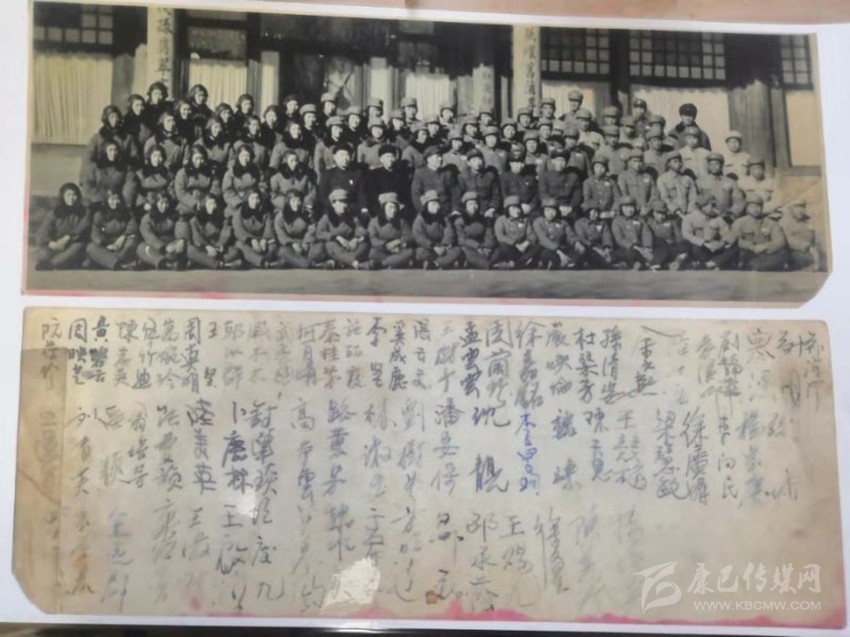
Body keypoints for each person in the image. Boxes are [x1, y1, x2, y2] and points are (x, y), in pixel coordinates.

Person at [35, 183, 91, 270]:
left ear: (78, 196)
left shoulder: (85, 212)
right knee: (43, 255)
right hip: (58, 246)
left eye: (74, 195)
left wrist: (68, 237)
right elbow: (42, 232)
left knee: (79, 246)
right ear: (63, 196)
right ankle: (64, 262)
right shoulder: (55, 213)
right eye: (68, 195)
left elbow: (82, 228)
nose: (71, 198)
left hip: (74, 246)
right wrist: (51, 243)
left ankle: (52, 265)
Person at [181, 194, 242, 270]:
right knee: (190, 250)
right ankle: (220, 265)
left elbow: (226, 232)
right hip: (204, 249)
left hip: (218, 248)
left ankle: (205, 263)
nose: (213, 206)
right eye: (210, 204)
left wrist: (219, 245)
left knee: (235, 251)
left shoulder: (221, 217)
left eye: (214, 203)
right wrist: (207, 247)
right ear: (204, 205)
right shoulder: (194, 220)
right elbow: (197, 238)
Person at [729, 193, 788, 271]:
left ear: (762, 207)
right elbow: (734, 240)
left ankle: (760, 266)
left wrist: (765, 246)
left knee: (784, 253)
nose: (755, 209)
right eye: (752, 206)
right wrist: (751, 246)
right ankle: (757, 266)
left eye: (758, 206)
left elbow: (780, 241)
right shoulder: (740, 222)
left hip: (766, 253)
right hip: (749, 253)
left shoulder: (770, 222)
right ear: (746, 208)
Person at [315, 188, 371, 269]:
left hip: (350, 245)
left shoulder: (352, 216)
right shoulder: (327, 217)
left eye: (345, 202)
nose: (343, 205)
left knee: (365, 244)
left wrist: (356, 239)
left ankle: (342, 263)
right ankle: (354, 262)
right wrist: (337, 237)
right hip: (337, 246)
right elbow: (319, 233)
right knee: (330, 245)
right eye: (340, 202)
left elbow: (361, 229)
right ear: (333, 204)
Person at [81, 105, 138, 184]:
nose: (114, 120)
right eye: (112, 117)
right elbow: (88, 159)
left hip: (121, 173)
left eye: (117, 117)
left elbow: (134, 156)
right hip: (102, 173)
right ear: (106, 119)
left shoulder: (127, 138)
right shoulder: (97, 138)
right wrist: (87, 178)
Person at [681, 193, 737, 270]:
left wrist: (722, 243)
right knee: (692, 247)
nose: (715, 208)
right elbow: (687, 235)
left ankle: (708, 264)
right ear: (703, 206)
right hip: (700, 247)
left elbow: (727, 232)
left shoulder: (717, 217)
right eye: (712, 205)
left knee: (733, 247)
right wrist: (704, 243)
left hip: (715, 247)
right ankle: (714, 264)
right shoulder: (689, 218)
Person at [85, 189, 138, 270]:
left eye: (117, 199)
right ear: (107, 200)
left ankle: (109, 261)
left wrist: (123, 237)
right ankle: (118, 263)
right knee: (90, 247)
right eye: (112, 199)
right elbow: (95, 233)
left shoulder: (126, 212)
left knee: (132, 241)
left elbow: (133, 225)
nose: (115, 202)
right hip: (106, 245)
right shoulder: (100, 214)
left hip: (121, 244)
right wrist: (105, 245)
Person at [273, 189, 327, 269]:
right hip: (290, 246)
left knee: (320, 247)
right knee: (283, 251)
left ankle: (291, 262)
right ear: (288, 202)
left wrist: (306, 243)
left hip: (305, 244)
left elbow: (311, 229)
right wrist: (293, 244)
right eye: (293, 201)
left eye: (298, 201)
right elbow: (281, 235)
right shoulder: (280, 217)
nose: (296, 204)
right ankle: (310, 264)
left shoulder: (307, 214)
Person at [317, 143, 369, 220]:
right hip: (332, 210)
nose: (345, 158)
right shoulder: (327, 174)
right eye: (341, 155)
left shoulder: (358, 174)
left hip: (352, 210)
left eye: (347, 155)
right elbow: (322, 196)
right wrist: (335, 205)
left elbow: (362, 194)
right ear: (335, 157)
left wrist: (363, 208)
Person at [412, 190, 462, 270]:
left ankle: (435, 264)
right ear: (426, 205)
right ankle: (443, 262)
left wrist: (444, 245)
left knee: (457, 250)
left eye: (437, 203)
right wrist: (433, 246)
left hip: (442, 247)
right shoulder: (420, 219)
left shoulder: (444, 217)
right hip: (429, 248)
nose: (436, 206)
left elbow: (449, 231)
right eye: (433, 204)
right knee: (420, 252)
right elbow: (419, 236)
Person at [136, 192, 185, 270]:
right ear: (156, 203)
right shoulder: (148, 218)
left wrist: (180, 241)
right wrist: (163, 247)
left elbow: (181, 227)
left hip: (171, 244)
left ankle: (162, 262)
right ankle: (164, 263)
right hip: (156, 246)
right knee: (141, 247)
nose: (164, 206)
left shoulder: (174, 215)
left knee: (174, 253)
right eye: (161, 203)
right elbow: (148, 236)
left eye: (166, 203)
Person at [489, 195, 539, 269]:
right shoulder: (501, 220)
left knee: (538, 246)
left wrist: (526, 243)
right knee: (503, 246)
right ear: (507, 209)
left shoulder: (525, 220)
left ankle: (518, 263)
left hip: (522, 248)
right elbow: (500, 236)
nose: (517, 211)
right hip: (510, 247)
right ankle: (519, 263)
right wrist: (515, 244)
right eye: (513, 208)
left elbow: (531, 234)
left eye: (518, 208)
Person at [367, 192, 415, 269]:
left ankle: (382, 264)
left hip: (398, 250)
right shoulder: (374, 222)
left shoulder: (401, 221)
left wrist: (398, 242)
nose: (393, 210)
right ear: (384, 207)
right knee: (372, 253)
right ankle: (397, 263)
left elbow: (409, 236)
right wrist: (386, 245)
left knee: (410, 252)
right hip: (383, 250)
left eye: (395, 207)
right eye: (390, 207)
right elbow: (373, 239)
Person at [232, 187, 277, 268]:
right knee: (240, 246)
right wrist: (251, 240)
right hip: (246, 241)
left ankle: (253, 262)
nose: (255, 201)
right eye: (252, 198)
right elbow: (238, 229)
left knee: (273, 246)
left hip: (261, 241)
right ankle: (263, 262)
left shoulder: (265, 213)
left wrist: (264, 239)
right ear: (247, 199)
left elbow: (269, 228)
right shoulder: (239, 212)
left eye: (257, 198)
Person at [174, 145, 222, 218]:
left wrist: (208, 199)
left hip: (206, 203)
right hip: (187, 205)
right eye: (196, 159)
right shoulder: (183, 173)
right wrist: (195, 203)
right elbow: (181, 192)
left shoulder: (210, 172)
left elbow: (216, 187)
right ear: (191, 158)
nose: (199, 162)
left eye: (201, 159)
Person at [123, 144, 171, 215]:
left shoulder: (166, 173)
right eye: (154, 156)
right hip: (146, 206)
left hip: (163, 203)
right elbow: (136, 191)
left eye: (159, 156)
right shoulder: (141, 173)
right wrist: (144, 204)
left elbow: (170, 189)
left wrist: (166, 200)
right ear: (150, 157)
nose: (157, 159)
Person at [222, 144, 267, 218]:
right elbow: (227, 191)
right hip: (238, 203)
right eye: (242, 156)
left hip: (255, 201)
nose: (245, 158)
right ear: (238, 157)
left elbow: (262, 185)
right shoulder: (231, 173)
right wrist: (238, 202)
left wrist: (259, 197)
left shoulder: (256, 170)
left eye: (247, 156)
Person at [696, 152, 745, 220]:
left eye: (716, 164)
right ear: (708, 166)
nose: (713, 166)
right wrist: (704, 211)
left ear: (721, 165)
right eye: (711, 164)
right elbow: (696, 201)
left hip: (725, 217)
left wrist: (731, 214)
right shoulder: (700, 181)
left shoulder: (730, 182)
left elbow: (739, 202)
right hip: (704, 216)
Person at [453, 191, 495, 269]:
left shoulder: (484, 220)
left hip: (483, 247)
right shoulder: (460, 221)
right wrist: (477, 246)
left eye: (475, 204)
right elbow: (461, 239)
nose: (473, 207)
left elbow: (489, 235)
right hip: (469, 247)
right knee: (466, 252)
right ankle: (489, 265)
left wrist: (486, 247)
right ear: (465, 206)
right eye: (470, 204)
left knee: (497, 251)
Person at [533, 196, 577, 269]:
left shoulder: (563, 222)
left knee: (576, 253)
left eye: (553, 210)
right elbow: (543, 239)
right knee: (546, 253)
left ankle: (563, 263)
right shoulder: (538, 222)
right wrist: (560, 253)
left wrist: (575, 242)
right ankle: (557, 263)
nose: (550, 213)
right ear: (543, 211)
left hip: (561, 247)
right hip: (546, 248)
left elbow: (570, 235)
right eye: (547, 210)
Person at [270, 149, 317, 216]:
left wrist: (303, 203)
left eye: (296, 160)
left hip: (302, 208)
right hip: (284, 210)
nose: (295, 163)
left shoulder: (304, 177)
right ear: (285, 162)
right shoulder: (276, 178)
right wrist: (289, 204)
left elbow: (312, 191)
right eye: (291, 161)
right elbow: (274, 196)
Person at [81, 140, 129, 206]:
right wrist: (106, 197)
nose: (113, 153)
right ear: (104, 151)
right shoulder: (95, 167)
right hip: (97, 201)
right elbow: (87, 187)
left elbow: (126, 186)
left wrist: (119, 198)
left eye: (115, 150)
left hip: (116, 202)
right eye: (110, 150)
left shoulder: (122, 169)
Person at [610, 195, 653, 269]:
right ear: (621, 208)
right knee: (629, 253)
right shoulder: (617, 221)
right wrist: (633, 246)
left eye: (631, 207)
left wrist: (647, 246)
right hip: (625, 248)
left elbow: (646, 233)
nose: (629, 210)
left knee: (649, 254)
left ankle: (636, 263)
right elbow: (619, 239)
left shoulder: (640, 220)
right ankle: (636, 263)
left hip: (640, 247)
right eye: (626, 208)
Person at [539, 149, 583, 220]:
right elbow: (543, 194)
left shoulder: (573, 177)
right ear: (553, 161)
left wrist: (570, 207)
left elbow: (577, 196)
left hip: (568, 207)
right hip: (552, 207)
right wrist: (556, 207)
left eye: (563, 161)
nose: (560, 163)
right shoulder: (545, 176)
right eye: (558, 160)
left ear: (566, 162)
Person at [645, 199, 689, 270]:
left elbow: (679, 237)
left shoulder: (671, 222)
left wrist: (681, 245)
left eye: (663, 213)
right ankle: (657, 263)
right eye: (658, 213)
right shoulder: (648, 222)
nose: (661, 216)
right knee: (661, 244)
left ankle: (672, 263)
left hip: (671, 247)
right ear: (653, 212)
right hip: (656, 248)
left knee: (685, 245)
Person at [410, 146, 453, 216]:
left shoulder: (447, 174)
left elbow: (454, 192)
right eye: (437, 157)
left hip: (446, 210)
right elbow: (416, 194)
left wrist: (455, 209)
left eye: (441, 156)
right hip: (428, 211)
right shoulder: (420, 173)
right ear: (428, 159)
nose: (440, 159)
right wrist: (423, 211)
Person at [779, 201, 821, 271]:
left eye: (803, 207)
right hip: (792, 258)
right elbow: (786, 239)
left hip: (810, 257)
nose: (801, 210)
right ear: (790, 208)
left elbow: (816, 239)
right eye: (797, 207)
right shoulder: (784, 222)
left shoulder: (807, 221)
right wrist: (804, 245)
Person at [457, 148, 501, 217]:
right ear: (469, 163)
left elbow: (496, 195)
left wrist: (492, 208)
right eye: (474, 160)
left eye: (479, 159)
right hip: (469, 210)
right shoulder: (463, 177)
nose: (477, 162)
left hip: (486, 210)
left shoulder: (490, 176)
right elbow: (458, 196)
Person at [368, 144, 410, 214]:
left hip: (398, 207)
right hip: (381, 208)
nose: (390, 159)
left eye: (392, 156)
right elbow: (373, 194)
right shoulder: (374, 174)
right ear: (381, 159)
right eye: (387, 156)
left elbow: (405, 193)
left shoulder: (401, 174)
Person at [143, 111, 187, 176]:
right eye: (168, 121)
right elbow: (146, 161)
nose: (171, 124)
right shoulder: (153, 141)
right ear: (162, 123)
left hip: (175, 174)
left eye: (173, 121)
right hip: (156, 175)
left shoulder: (182, 141)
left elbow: (185, 160)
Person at [618, 149, 659, 218]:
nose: (638, 164)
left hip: (647, 212)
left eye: (640, 161)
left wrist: (649, 207)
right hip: (631, 212)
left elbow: (655, 194)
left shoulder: (647, 176)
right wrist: (635, 207)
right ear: (629, 162)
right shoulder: (623, 176)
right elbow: (624, 194)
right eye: (635, 161)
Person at [657, 150, 698, 219]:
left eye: (679, 161)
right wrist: (676, 210)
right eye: (675, 162)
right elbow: (665, 198)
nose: (678, 164)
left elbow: (693, 197)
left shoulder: (687, 179)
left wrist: (690, 210)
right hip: (671, 215)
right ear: (668, 164)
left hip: (688, 213)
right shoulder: (662, 179)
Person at [500, 148, 539, 214]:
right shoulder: (504, 177)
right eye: (517, 162)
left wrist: (531, 206)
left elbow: (537, 193)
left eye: (522, 162)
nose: (520, 165)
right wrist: (517, 207)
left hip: (529, 209)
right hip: (512, 210)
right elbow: (505, 196)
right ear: (510, 164)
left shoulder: (530, 176)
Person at [581, 156, 621, 220]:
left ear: (606, 168)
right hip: (593, 213)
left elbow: (617, 198)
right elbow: (587, 199)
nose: (599, 169)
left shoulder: (612, 182)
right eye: (597, 167)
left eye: (602, 167)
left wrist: (613, 211)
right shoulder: (588, 182)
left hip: (609, 213)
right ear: (593, 168)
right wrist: (595, 211)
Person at [313, 115, 346, 180]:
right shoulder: (322, 146)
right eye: (336, 128)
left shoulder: (347, 145)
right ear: (330, 129)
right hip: (327, 178)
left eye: (340, 128)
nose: (338, 131)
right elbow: (318, 166)